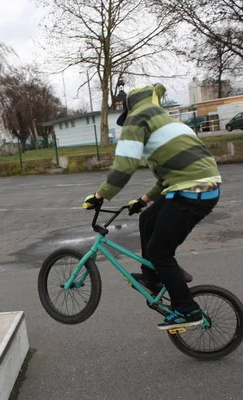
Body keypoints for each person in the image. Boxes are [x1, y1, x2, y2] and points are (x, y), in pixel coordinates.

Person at [82, 83, 221, 330]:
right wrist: (143, 201)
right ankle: (153, 279)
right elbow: (172, 174)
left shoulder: (138, 118)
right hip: (197, 188)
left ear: (130, 109)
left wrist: (100, 195)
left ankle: (187, 310)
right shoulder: (170, 123)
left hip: (191, 193)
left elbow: (125, 165)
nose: (127, 124)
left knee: (160, 253)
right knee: (146, 219)